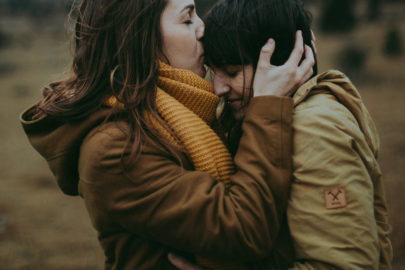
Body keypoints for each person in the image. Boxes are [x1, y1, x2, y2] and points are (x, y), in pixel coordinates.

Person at [20, 0, 315, 269]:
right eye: (187, 19)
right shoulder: (115, 148)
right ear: (140, 38)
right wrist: (269, 105)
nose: (203, 28)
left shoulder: (186, 114)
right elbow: (244, 228)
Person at [169, 0, 393, 269]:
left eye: (232, 72)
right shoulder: (259, 119)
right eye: (213, 72)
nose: (218, 89)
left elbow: (343, 264)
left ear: (281, 63)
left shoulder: (315, 128)